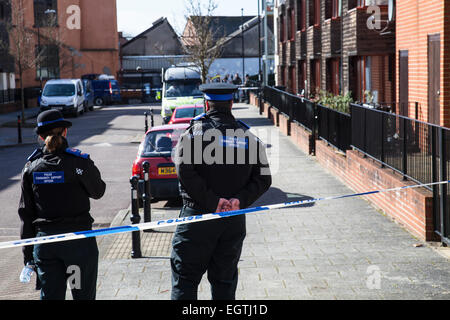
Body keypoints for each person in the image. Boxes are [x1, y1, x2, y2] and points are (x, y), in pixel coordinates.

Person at [171, 83, 272, 300]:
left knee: (185, 280)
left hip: (196, 218)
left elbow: (184, 171)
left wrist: (213, 201)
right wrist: (238, 200)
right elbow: (264, 179)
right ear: (232, 103)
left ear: (207, 104)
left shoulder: (193, 134)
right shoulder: (249, 137)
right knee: (225, 282)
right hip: (232, 220)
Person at [18, 110, 106, 300]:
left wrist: (28, 257)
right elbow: (98, 192)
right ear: (65, 132)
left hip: (47, 246)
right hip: (78, 245)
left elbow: (26, 215)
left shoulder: (31, 168)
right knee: (82, 296)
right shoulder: (79, 163)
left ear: (41, 137)